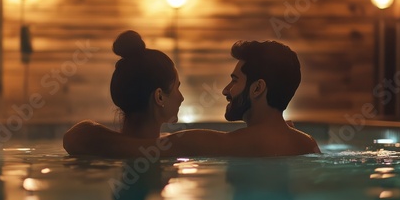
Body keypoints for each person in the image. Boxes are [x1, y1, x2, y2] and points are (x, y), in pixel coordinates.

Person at [64, 39, 320, 157]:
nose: (225, 90)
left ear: (257, 89)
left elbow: (79, 138)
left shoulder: (211, 143)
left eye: (234, 80)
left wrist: (85, 132)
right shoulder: (307, 144)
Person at [64, 30, 184, 146]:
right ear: (159, 96)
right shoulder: (178, 145)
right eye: (176, 88)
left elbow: (74, 137)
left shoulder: (96, 146)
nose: (181, 98)